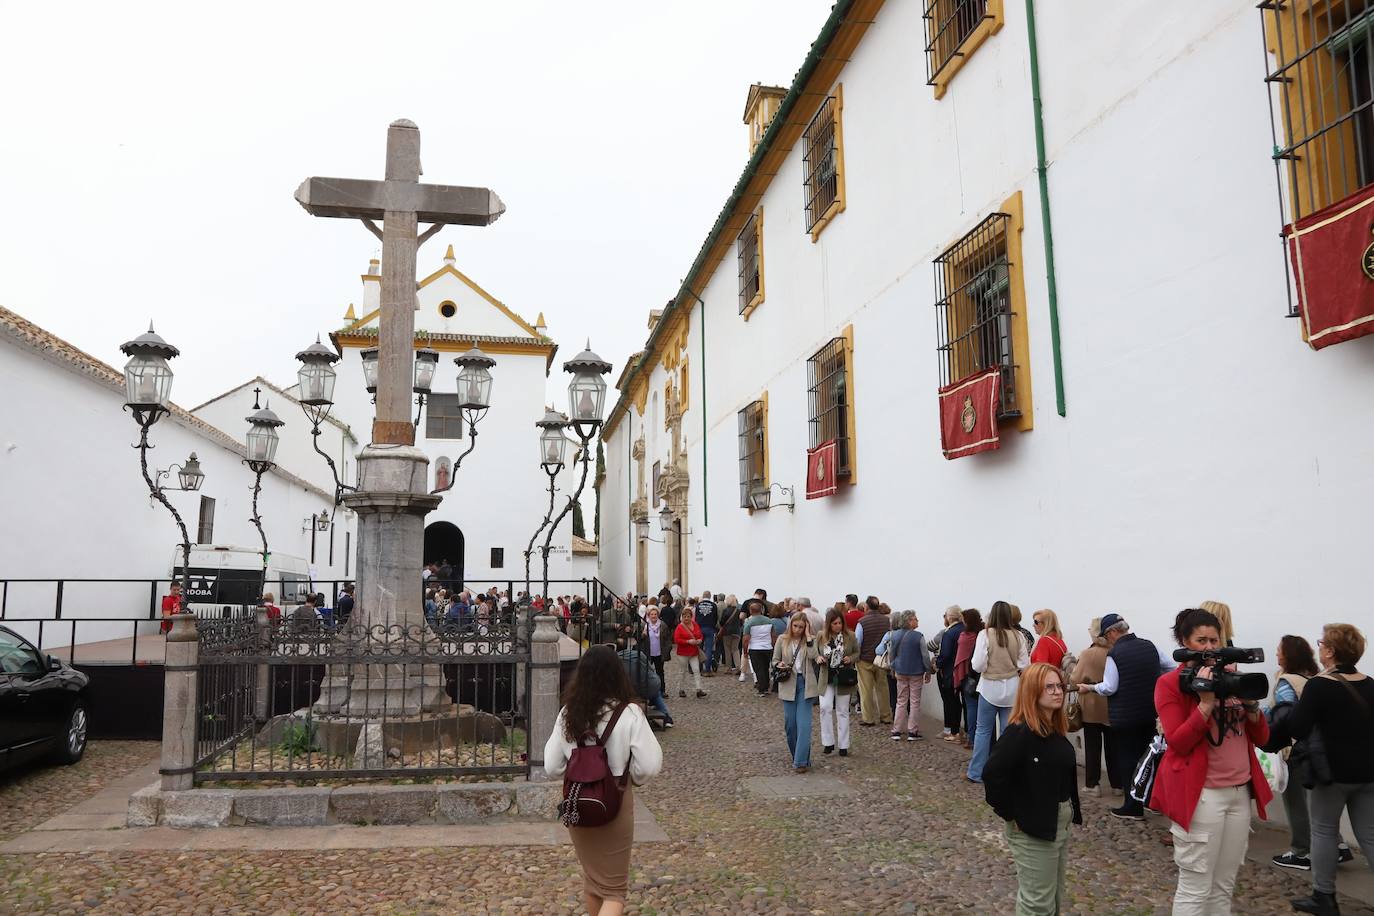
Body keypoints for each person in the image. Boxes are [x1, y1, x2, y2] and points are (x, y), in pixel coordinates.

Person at [1150, 608, 1271, 916]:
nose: (1208, 647)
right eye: (1200, 640)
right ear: (1184, 642)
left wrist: (1252, 707)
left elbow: (1262, 738)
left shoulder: (1232, 677)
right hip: (1203, 794)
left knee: (1224, 885)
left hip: (1239, 792)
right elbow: (1178, 741)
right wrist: (1204, 705)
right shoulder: (1171, 684)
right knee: (1195, 886)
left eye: (1213, 639)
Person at [543, 646, 663, 916]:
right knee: (614, 890)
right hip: (616, 800)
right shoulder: (629, 713)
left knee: (594, 882)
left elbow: (551, 766)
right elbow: (650, 765)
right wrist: (634, 778)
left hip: (578, 801)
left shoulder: (567, 713)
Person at [1269, 623, 1374, 916]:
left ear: (1330, 651)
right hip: (1368, 772)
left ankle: (1324, 897)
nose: (1319, 647)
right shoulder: (1371, 684)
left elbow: (1298, 726)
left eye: (1322, 643)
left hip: (1331, 773)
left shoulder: (1320, 685)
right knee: (1369, 834)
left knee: (1324, 831)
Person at [983, 662, 1082, 916]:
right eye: (1049, 687)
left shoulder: (1054, 729)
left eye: (1059, 685)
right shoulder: (1019, 733)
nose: (1057, 691)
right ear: (1032, 692)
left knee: (1054, 897)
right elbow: (993, 775)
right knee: (1037, 903)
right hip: (1033, 827)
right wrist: (1010, 814)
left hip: (1058, 820)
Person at [1074, 612, 1175, 820]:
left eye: (1105, 634)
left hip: (1126, 714)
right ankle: (1151, 801)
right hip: (1149, 711)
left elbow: (1110, 687)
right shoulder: (1150, 646)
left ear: (1112, 632)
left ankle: (1132, 806)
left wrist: (1090, 687)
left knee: (1128, 759)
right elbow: (1170, 668)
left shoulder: (1115, 654)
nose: (1105, 638)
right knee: (1149, 757)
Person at [1265, 634, 1347, 872]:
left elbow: (1285, 716)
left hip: (1295, 750)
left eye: (1279, 650)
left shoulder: (1286, 682)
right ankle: (1339, 846)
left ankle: (1302, 852)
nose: (1277, 654)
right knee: (1318, 806)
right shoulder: (1314, 678)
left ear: (1288, 655)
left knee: (1296, 803)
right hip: (1318, 749)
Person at [967, 601, 1030, 783]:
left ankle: (977, 771)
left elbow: (977, 665)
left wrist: (989, 666)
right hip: (1011, 687)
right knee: (1008, 733)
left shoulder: (985, 634)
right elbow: (1024, 665)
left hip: (989, 686)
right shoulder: (1018, 635)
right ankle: (1004, 772)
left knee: (983, 731)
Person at [1070, 618, 1118, 797]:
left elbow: (1074, 678)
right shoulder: (1114, 651)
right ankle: (1117, 784)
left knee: (1092, 745)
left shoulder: (1088, 653)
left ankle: (1093, 784)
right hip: (1112, 703)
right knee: (1113, 746)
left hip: (1091, 703)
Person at [771, 611, 821, 773]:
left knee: (804, 725)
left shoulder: (810, 641)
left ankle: (800, 762)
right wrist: (779, 664)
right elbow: (774, 660)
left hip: (806, 685)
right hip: (788, 684)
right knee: (790, 724)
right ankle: (800, 756)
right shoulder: (782, 640)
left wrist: (808, 636)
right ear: (790, 625)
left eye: (801, 626)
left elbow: (814, 656)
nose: (798, 629)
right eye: (796, 626)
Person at [816, 607, 859, 757]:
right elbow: (815, 652)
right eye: (834, 623)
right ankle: (828, 742)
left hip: (843, 676)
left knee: (842, 711)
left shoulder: (850, 636)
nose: (838, 626)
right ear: (829, 624)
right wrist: (818, 658)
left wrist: (850, 658)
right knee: (825, 707)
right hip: (826, 675)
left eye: (840, 623)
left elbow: (857, 652)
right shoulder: (821, 636)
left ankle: (843, 745)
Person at [887, 611, 933, 741]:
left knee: (900, 701)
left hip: (901, 671)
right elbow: (925, 655)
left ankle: (896, 730)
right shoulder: (919, 636)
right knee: (914, 702)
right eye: (915, 619)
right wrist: (928, 670)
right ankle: (912, 731)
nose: (917, 621)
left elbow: (892, 653)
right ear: (909, 621)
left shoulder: (895, 635)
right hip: (916, 672)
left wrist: (892, 667)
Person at [854, 597, 892, 728]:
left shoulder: (862, 622)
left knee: (866, 690)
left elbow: (858, 641)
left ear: (866, 607)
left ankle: (868, 718)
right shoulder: (887, 620)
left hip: (865, 659)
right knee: (883, 689)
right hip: (881, 659)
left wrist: (856, 657)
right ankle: (886, 716)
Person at [618, 644, 673, 728]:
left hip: (632, 688)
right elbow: (650, 668)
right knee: (655, 694)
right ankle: (667, 717)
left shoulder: (616, 659)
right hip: (649, 684)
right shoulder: (639, 655)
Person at [933, 606, 965, 740]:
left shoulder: (949, 633)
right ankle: (954, 730)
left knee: (949, 701)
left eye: (945, 615)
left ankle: (952, 730)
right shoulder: (964, 629)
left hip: (948, 672)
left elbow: (945, 654)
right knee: (956, 702)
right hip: (961, 671)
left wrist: (937, 664)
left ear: (950, 617)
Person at [954, 609, 984, 749]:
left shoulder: (965, 636)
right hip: (983, 676)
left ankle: (972, 738)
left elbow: (960, 658)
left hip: (969, 676)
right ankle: (982, 739)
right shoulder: (983, 635)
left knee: (971, 707)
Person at [744, 599, 776, 696]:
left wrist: (745, 651)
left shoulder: (749, 623)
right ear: (761, 610)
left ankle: (761, 689)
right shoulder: (769, 621)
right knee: (766, 667)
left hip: (755, 648)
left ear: (750, 611)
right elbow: (773, 636)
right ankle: (766, 687)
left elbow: (746, 639)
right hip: (767, 647)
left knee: (758, 669)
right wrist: (773, 646)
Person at [673, 611, 706, 699]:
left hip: (694, 652)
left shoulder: (695, 624)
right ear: (682, 617)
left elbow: (700, 634)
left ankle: (699, 689)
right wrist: (687, 641)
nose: (686, 618)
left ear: (691, 617)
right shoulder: (679, 627)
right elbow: (676, 640)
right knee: (682, 671)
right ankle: (681, 689)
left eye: (688, 616)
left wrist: (700, 640)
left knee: (696, 670)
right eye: (684, 617)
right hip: (683, 652)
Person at [694, 590, 719, 676]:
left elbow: (696, 617)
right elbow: (716, 618)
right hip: (710, 628)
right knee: (708, 649)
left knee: (699, 649)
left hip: (699, 628)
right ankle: (707, 670)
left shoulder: (698, 605)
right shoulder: (713, 605)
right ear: (710, 596)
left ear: (703, 595)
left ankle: (698, 668)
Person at [719, 595, 742, 674]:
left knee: (727, 650)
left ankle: (728, 668)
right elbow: (741, 622)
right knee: (735, 649)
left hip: (727, 632)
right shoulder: (738, 611)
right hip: (736, 632)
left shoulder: (725, 610)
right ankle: (738, 667)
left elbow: (722, 622)